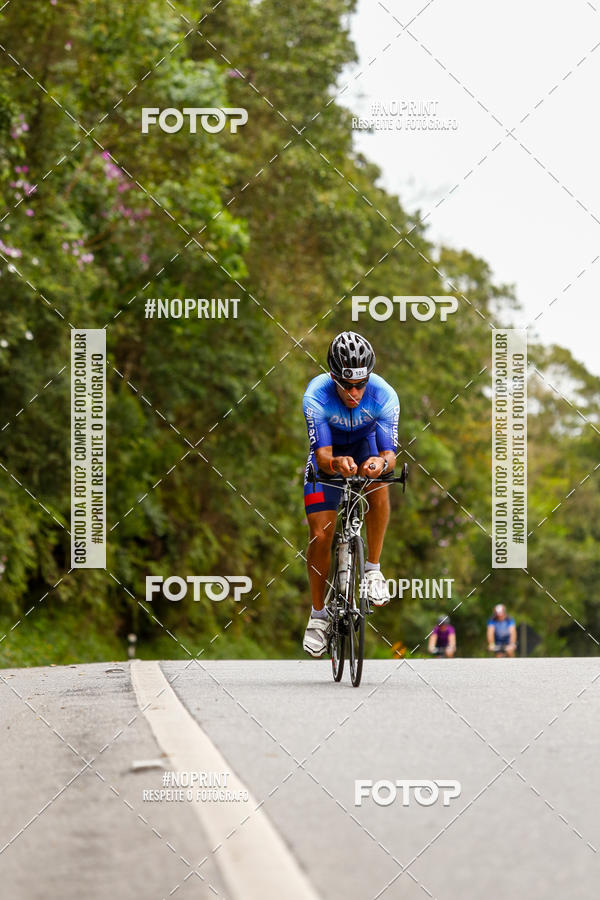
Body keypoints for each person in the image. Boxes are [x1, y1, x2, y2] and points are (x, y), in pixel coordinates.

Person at [301, 331, 400, 656]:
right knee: (320, 535)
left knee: (381, 480)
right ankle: (318, 617)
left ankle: (372, 569)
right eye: (347, 385)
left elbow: (390, 454)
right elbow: (322, 456)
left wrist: (379, 462)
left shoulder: (384, 395)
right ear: (334, 377)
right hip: (330, 455)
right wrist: (335, 463)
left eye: (361, 384)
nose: (355, 392)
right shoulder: (316, 394)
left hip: (365, 446)